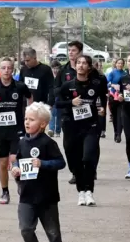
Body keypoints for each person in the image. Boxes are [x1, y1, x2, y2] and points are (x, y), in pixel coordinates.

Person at [11, 102, 65, 242]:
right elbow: (18, 159)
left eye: (32, 120)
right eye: (26, 119)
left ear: (43, 124)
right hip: (27, 194)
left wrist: (43, 163)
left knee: (53, 233)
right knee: (26, 229)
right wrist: (16, 168)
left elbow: (61, 162)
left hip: (47, 196)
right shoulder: (22, 142)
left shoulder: (49, 143)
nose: (27, 122)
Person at [57, 55, 107, 206]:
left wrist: (102, 108)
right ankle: (81, 192)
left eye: (84, 63)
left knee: (88, 158)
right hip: (72, 127)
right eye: (78, 63)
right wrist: (71, 102)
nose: (81, 66)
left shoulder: (96, 84)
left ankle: (89, 191)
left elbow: (103, 99)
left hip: (91, 126)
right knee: (75, 161)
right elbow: (57, 103)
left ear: (89, 67)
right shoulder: (67, 86)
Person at [0, 57, 32, 204]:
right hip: (1, 130)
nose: (6, 71)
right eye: (3, 68)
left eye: (9, 68)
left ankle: (19, 181)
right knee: (3, 162)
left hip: (18, 129)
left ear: (13, 69)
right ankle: (5, 191)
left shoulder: (20, 86)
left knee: (15, 159)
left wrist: (30, 113)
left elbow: (30, 97)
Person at [107, 58, 125, 143]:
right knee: (115, 117)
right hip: (113, 97)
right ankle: (115, 132)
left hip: (122, 97)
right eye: (118, 63)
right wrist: (113, 85)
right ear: (116, 64)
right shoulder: (112, 73)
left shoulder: (125, 74)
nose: (120, 65)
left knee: (120, 116)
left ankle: (119, 134)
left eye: (121, 63)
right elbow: (106, 83)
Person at [48, 60, 62, 137]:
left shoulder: (61, 76)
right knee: (52, 113)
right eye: (54, 68)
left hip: (59, 97)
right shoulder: (49, 77)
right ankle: (51, 129)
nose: (55, 70)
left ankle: (58, 131)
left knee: (59, 115)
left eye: (57, 68)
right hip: (51, 97)